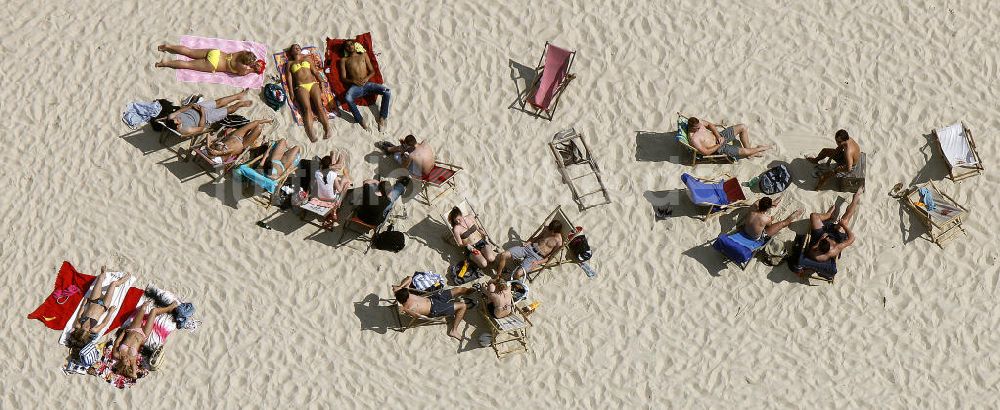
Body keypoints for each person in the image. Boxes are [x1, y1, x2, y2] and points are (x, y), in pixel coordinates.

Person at [66, 268, 132, 350]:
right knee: (113, 284)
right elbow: (104, 323)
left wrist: (83, 304)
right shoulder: (94, 329)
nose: (85, 328)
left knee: (100, 279)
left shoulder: (78, 324)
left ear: (79, 330)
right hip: (104, 305)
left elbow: (79, 314)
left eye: (83, 329)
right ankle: (119, 282)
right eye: (86, 330)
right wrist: (110, 312)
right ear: (88, 333)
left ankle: (103, 274)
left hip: (93, 300)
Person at [393, 276, 474, 340]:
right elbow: (419, 316)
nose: (408, 292)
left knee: (458, 289)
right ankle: (454, 330)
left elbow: (409, 278)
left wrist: (400, 286)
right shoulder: (409, 308)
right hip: (435, 309)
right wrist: (404, 310)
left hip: (433, 298)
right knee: (463, 306)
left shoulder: (404, 293)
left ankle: (470, 291)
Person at [111, 301, 178, 379]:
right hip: (143, 335)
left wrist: (123, 333)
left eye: (125, 361)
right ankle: (170, 308)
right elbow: (134, 376)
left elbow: (117, 342)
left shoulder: (117, 354)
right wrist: (131, 372)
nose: (127, 360)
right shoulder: (132, 361)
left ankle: (165, 309)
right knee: (153, 311)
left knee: (143, 307)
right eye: (128, 362)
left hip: (132, 329)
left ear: (121, 363)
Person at [338, 40, 391, 131]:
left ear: (355, 45)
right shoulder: (344, 60)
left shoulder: (363, 55)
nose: (350, 46)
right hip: (355, 87)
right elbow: (343, 78)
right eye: (347, 46)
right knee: (347, 98)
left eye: (351, 44)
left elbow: (372, 71)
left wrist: (366, 78)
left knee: (387, 92)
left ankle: (382, 117)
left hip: (367, 84)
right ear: (345, 49)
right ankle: (360, 120)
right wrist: (353, 81)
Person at [284, 44, 332, 142]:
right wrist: (291, 92)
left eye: (298, 47)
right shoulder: (289, 63)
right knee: (306, 109)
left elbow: (315, 72)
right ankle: (311, 131)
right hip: (300, 86)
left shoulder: (307, 59)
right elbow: (289, 78)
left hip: (313, 84)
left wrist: (322, 82)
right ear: (291, 52)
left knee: (319, 106)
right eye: (294, 48)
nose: (297, 48)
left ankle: (327, 128)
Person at [163, 89, 253, 138]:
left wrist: (192, 106)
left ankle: (238, 96)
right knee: (229, 110)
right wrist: (202, 113)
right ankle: (240, 104)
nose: (178, 118)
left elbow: (181, 110)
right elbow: (201, 128)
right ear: (178, 126)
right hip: (205, 118)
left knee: (219, 102)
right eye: (178, 120)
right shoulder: (185, 129)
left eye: (176, 118)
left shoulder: (171, 117)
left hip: (197, 107)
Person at [806, 188, 863, 262]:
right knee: (845, 220)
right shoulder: (834, 249)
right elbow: (851, 238)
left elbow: (811, 250)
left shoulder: (818, 251)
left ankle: (829, 215)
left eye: (826, 239)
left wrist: (820, 240)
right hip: (837, 237)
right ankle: (856, 198)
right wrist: (843, 225)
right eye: (827, 239)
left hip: (825, 234)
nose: (827, 238)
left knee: (813, 216)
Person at [497, 220, 565, 280]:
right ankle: (498, 276)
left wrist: (538, 262)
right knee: (504, 255)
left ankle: (514, 283)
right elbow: (537, 237)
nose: (549, 232)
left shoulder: (558, 242)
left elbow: (550, 257)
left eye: (551, 231)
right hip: (529, 248)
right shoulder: (547, 229)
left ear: (556, 231)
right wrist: (528, 242)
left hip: (536, 257)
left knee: (518, 273)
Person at [686, 117, 770, 159]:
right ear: (691, 127)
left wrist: (718, 136)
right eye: (697, 128)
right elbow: (706, 152)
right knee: (743, 151)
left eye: (699, 126)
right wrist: (719, 145)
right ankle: (759, 149)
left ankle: (750, 152)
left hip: (720, 136)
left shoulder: (699, 123)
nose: (699, 127)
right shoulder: (694, 139)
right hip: (719, 148)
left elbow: (710, 125)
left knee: (742, 127)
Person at [156, 44, 260, 76]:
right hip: (214, 64)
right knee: (188, 65)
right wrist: (253, 69)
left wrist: (252, 61)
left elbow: (248, 54)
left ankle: (167, 46)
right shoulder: (242, 68)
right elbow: (243, 73)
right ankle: (165, 63)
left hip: (216, 53)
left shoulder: (243, 52)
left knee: (189, 52)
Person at [311, 150, 352, 225]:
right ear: (329, 166)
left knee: (334, 175)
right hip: (330, 198)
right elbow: (339, 190)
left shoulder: (317, 173)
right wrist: (343, 184)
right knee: (345, 179)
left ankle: (336, 156)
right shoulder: (333, 175)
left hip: (320, 196)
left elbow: (315, 185)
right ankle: (340, 157)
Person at [203, 118, 273, 158]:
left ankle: (267, 121)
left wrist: (207, 146)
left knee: (254, 123)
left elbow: (208, 135)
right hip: (242, 144)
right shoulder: (221, 155)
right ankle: (265, 124)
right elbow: (230, 151)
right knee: (259, 128)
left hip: (234, 136)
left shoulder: (211, 147)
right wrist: (218, 153)